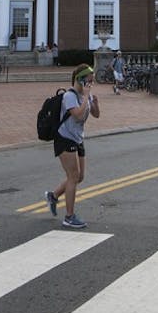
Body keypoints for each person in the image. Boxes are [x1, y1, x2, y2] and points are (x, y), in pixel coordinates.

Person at [44, 64, 100, 229]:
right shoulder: (69, 96)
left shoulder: (86, 94)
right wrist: (86, 97)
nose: (91, 85)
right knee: (73, 176)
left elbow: (96, 115)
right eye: (89, 81)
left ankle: (53, 196)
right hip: (64, 138)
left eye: (92, 82)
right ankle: (69, 216)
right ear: (80, 80)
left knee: (79, 176)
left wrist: (95, 102)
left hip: (77, 138)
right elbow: (77, 115)